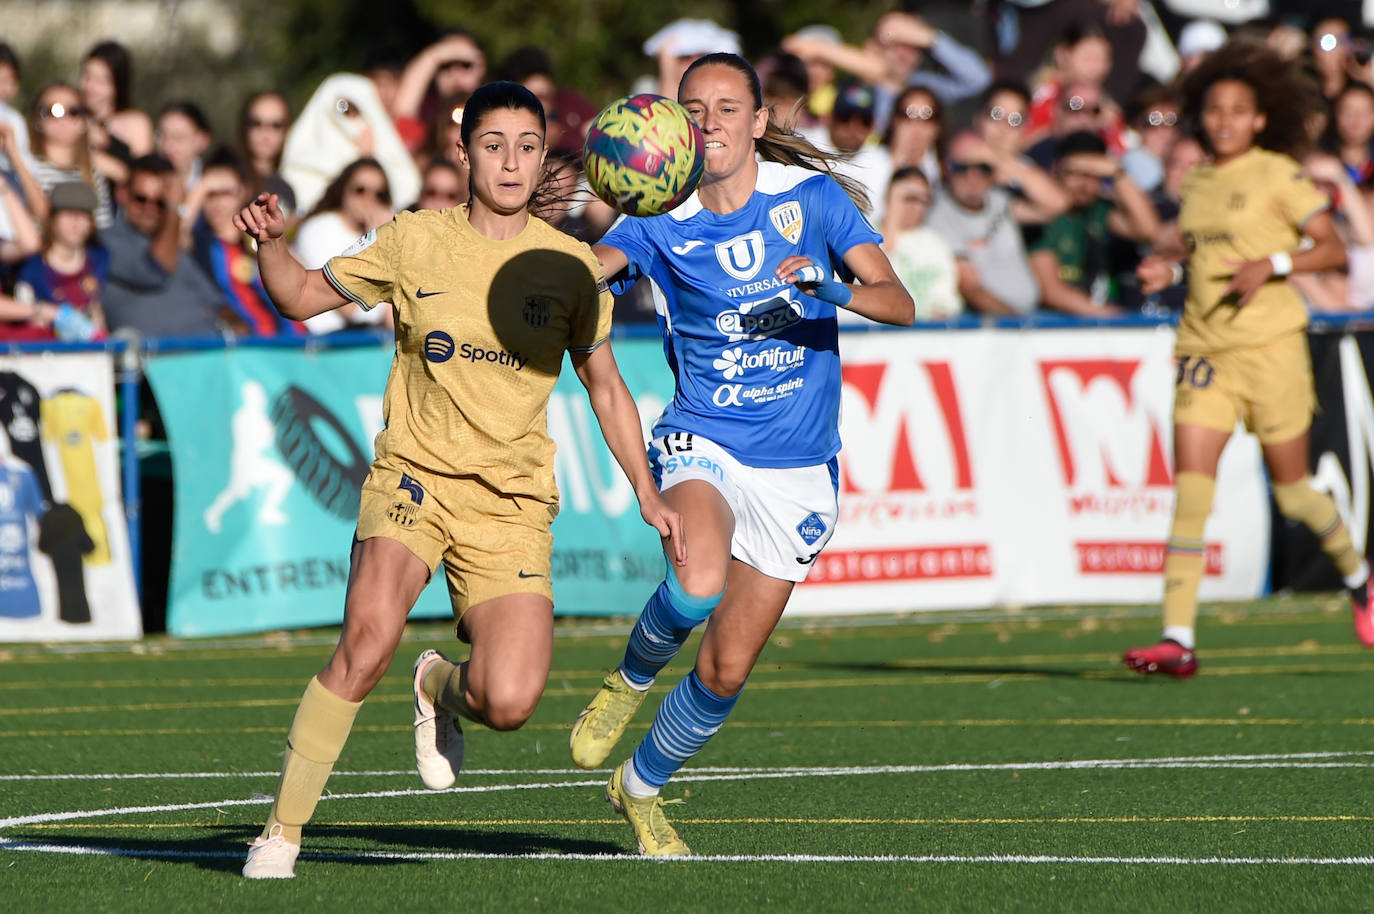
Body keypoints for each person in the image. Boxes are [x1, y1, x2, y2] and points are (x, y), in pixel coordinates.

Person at [233, 80, 682, 879]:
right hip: (413, 479)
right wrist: (270, 243)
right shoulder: (414, 239)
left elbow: (607, 387)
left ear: (543, 159)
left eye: (527, 147)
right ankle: (281, 832)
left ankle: (437, 685)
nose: (510, 162)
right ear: (462, 151)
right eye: (493, 144)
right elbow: (299, 297)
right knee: (364, 644)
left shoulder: (573, 268)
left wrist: (648, 492)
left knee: (509, 701)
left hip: (510, 505)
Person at [566, 52, 914, 856]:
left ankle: (639, 790)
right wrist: (557, 274)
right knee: (696, 586)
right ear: (675, 127)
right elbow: (593, 270)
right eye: (694, 109)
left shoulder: (812, 200)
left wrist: (829, 289)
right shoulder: (657, 215)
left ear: (759, 122)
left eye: (728, 107)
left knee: (725, 672)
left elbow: (899, 303)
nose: (711, 121)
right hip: (705, 438)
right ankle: (627, 681)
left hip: (798, 466)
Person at [1123, 40, 1371, 680]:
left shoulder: (1278, 174)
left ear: (1260, 118)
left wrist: (1275, 264)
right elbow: (1204, 255)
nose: (1224, 120)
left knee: (1293, 493)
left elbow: (1333, 248)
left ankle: (1359, 576)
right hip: (1205, 350)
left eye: (1238, 110)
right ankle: (1177, 637)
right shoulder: (1198, 181)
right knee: (1191, 492)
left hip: (1273, 349)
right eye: (1215, 110)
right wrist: (1170, 270)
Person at [1026, 130, 1158, 316]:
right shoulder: (1039, 215)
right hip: (1052, 323)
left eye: (1093, 174)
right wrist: (1116, 318)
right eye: (1075, 173)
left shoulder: (1098, 210)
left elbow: (1149, 230)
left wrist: (1118, 173)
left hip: (1096, 317)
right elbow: (1052, 292)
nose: (1084, 184)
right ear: (1056, 169)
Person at [101, 155, 228, 337]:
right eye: (141, 199)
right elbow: (154, 270)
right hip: (154, 352)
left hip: (209, 346)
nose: (150, 209)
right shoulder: (106, 241)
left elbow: (216, 302)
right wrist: (173, 208)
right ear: (122, 194)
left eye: (160, 203)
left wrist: (239, 328)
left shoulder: (176, 249)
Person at [187, 149, 302, 337]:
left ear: (244, 191)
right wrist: (200, 187)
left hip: (297, 340)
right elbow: (177, 241)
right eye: (209, 194)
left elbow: (302, 278)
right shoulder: (199, 247)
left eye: (225, 193)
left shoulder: (261, 240)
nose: (217, 203)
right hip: (249, 347)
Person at [291, 157, 394, 334]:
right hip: (324, 338)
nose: (369, 199)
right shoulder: (319, 230)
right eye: (360, 190)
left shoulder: (383, 232)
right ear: (343, 190)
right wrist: (378, 245)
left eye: (380, 194)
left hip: (371, 338)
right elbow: (352, 309)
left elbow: (395, 312)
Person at [10, 181, 106, 342]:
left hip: (89, 348)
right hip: (42, 348)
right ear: (52, 218)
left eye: (83, 215)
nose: (76, 223)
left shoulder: (99, 258)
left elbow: (97, 311)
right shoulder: (29, 264)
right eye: (68, 214)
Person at [28, 82, 117, 228]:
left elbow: (102, 226)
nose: (62, 119)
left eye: (73, 112)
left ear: (84, 120)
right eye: (51, 111)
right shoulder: (26, 166)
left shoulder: (92, 172)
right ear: (37, 119)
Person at [879, 166, 961, 320]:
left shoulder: (936, 244)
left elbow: (945, 299)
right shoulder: (867, 235)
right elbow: (880, 266)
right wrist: (894, 210)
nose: (915, 206)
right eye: (909, 198)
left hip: (927, 328)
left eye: (923, 199)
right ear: (890, 197)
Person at [79, 41, 154, 162]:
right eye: (87, 77)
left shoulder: (136, 123)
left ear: (118, 86)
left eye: (100, 81)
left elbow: (143, 170)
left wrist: (107, 143)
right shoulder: (73, 117)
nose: (90, 87)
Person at [236, 91, 297, 216]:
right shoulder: (226, 177)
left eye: (276, 125)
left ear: (288, 131)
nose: (265, 133)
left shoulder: (286, 189)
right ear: (244, 127)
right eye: (256, 123)